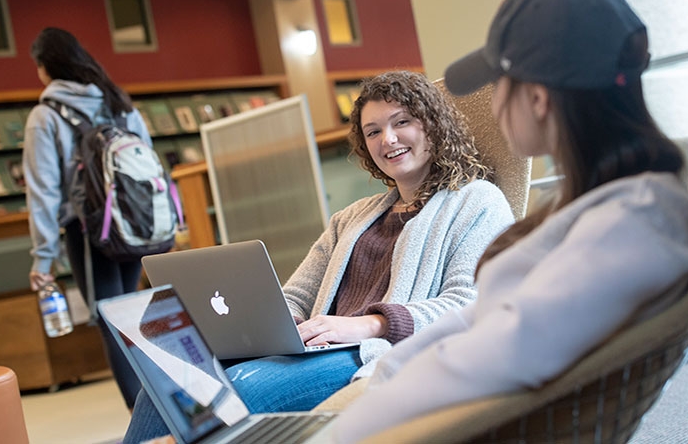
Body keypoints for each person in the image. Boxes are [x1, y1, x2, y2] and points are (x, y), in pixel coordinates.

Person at [330, 0, 688, 442]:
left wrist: (335, 433)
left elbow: (501, 351)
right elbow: (482, 324)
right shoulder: (604, 208)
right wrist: (385, 373)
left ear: (537, 97)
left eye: (499, 84)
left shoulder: (636, 223)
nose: (492, 105)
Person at [123, 70, 515, 442]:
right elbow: (296, 296)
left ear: (433, 124)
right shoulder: (352, 218)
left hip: (374, 352)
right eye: (373, 131)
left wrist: (371, 325)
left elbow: (469, 304)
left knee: (242, 387)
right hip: (318, 348)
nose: (388, 139)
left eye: (402, 123)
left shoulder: (477, 201)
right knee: (171, 375)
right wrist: (278, 326)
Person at [23, 27, 151, 410]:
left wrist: (43, 259)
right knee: (129, 314)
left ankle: (148, 417)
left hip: (89, 230)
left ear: (46, 67)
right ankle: (164, 409)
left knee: (111, 320)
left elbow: (43, 191)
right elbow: (146, 160)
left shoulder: (45, 116)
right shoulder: (117, 102)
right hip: (133, 224)